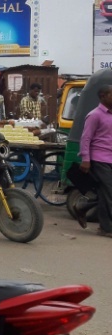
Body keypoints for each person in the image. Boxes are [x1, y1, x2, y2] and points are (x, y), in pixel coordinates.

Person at [77, 84, 112, 237]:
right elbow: (86, 138)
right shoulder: (94, 115)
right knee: (109, 192)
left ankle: (83, 207)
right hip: (99, 158)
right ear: (103, 96)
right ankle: (106, 228)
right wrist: (86, 159)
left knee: (106, 194)